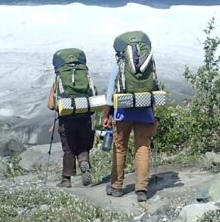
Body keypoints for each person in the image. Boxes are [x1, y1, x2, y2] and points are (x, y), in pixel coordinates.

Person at [106, 31, 158, 202]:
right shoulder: (149, 63)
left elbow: (110, 92)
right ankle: (141, 189)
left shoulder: (120, 64)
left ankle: (116, 186)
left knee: (120, 148)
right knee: (142, 148)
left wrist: (107, 112)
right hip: (145, 111)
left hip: (123, 111)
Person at [46, 48, 97, 188]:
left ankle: (66, 179)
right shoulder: (85, 76)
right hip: (85, 117)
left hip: (67, 120)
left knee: (68, 150)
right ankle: (84, 162)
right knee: (83, 147)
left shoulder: (59, 80)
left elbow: (51, 105)